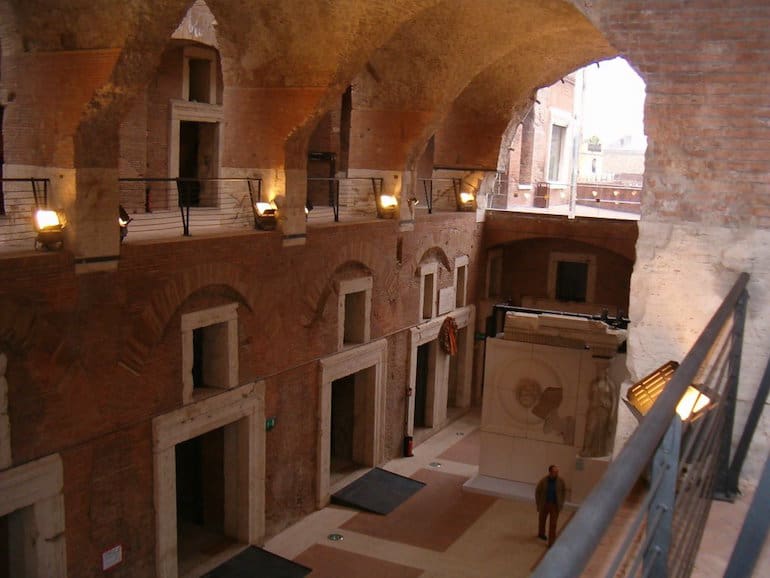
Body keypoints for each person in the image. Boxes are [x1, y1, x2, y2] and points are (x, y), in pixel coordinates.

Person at [535, 464, 566, 547]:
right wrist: (538, 503)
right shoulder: (543, 481)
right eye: (554, 472)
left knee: (553, 524)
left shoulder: (560, 481)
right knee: (542, 520)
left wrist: (561, 503)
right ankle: (541, 534)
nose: (556, 473)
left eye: (557, 472)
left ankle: (551, 542)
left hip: (555, 506)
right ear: (550, 472)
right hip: (544, 504)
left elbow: (563, 491)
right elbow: (538, 491)